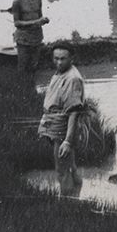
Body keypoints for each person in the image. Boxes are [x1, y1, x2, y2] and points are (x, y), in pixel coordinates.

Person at [37, 44, 84, 196]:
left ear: (72, 58)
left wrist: (68, 141)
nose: (58, 62)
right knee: (70, 164)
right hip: (54, 122)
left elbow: (74, 112)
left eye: (63, 59)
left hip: (62, 127)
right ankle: (76, 194)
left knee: (61, 169)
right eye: (56, 58)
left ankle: (67, 201)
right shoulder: (61, 72)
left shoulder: (72, 79)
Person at [8, 0, 50, 73]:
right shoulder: (17, 1)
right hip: (23, 39)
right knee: (23, 65)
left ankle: (32, 86)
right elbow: (17, 23)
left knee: (34, 65)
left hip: (37, 37)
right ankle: (23, 86)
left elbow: (39, 17)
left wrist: (44, 21)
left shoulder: (38, 0)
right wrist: (36, 22)